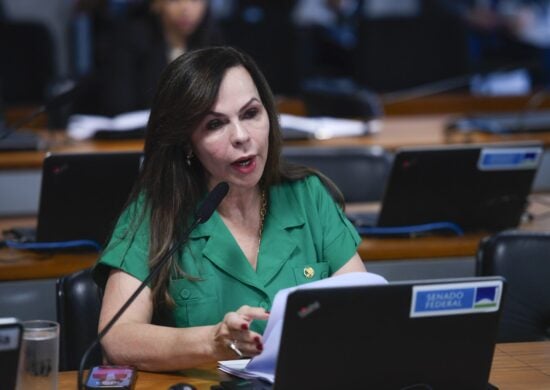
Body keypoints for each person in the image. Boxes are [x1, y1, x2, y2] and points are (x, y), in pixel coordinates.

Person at [93, 46, 366, 371]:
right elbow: (117, 337)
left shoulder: (308, 196)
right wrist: (212, 342)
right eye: (215, 124)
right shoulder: (157, 212)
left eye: (251, 114)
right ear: (187, 143)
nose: (241, 136)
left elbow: (365, 310)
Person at [96, 0, 222, 116]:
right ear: (156, 4)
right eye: (175, 0)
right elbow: (119, 102)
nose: (185, 8)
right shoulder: (130, 39)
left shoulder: (213, 42)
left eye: (195, 0)